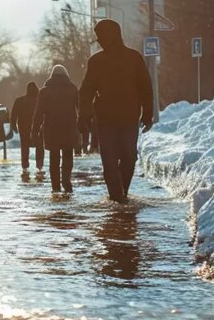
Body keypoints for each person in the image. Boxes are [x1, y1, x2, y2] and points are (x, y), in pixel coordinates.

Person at [79, 19, 153, 203]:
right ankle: (116, 197)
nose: (100, 41)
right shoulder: (96, 61)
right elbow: (86, 91)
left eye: (101, 37)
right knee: (109, 161)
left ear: (112, 35)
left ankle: (122, 193)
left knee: (129, 157)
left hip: (129, 118)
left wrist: (148, 113)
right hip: (105, 120)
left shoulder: (133, 58)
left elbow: (145, 87)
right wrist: (83, 116)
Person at [31, 64, 81, 193]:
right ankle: (66, 181)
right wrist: (83, 127)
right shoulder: (73, 89)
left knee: (54, 158)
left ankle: (55, 186)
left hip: (51, 129)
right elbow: (80, 109)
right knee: (68, 156)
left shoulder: (45, 91)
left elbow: (38, 113)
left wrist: (34, 130)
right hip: (69, 128)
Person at [10, 82, 44, 177]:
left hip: (23, 128)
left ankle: (25, 166)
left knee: (24, 147)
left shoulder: (19, 101)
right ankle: (39, 166)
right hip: (38, 128)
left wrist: (14, 127)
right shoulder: (40, 101)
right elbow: (45, 114)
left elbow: (13, 115)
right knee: (40, 147)